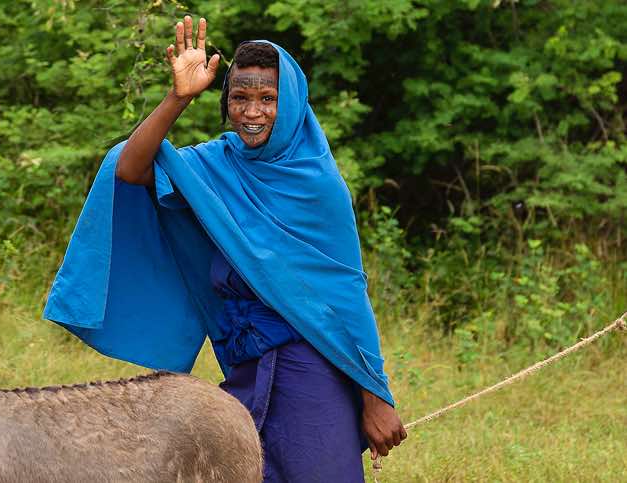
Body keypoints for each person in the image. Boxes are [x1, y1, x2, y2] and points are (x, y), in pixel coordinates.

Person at [44, 15, 405, 482]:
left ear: (290, 104)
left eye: (267, 99)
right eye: (240, 98)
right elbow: (130, 169)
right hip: (244, 366)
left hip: (312, 370)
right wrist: (179, 97)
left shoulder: (319, 185)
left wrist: (376, 399)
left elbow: (346, 296)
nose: (252, 112)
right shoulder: (216, 163)